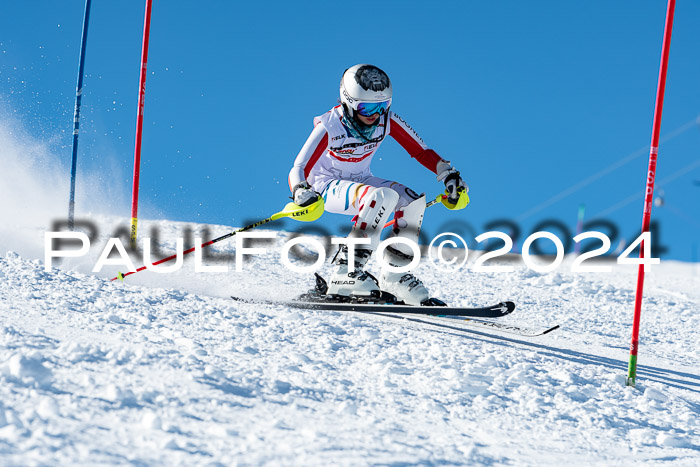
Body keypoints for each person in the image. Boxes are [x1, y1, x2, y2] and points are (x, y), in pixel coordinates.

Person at [288, 64, 468, 305]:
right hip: (325, 186)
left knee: (411, 200)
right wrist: (300, 191)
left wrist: (448, 174)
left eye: (381, 106)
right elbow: (299, 168)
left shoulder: (386, 122)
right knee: (382, 196)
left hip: (361, 181)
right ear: (349, 103)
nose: (374, 114)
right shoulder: (330, 125)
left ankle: (395, 274)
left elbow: (422, 151)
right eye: (366, 107)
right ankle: (346, 272)